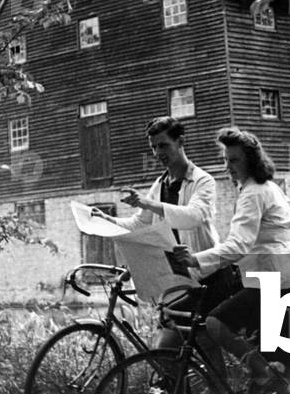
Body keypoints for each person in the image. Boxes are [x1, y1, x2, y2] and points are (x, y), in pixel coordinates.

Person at [171, 127, 290, 394]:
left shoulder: (252, 193)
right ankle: (269, 382)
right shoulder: (269, 187)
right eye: (226, 159)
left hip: (275, 284)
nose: (228, 166)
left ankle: (260, 370)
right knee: (288, 370)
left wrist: (196, 259)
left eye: (234, 160)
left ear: (251, 160)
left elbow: (238, 244)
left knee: (215, 323)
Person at [95, 116, 230, 348]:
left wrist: (147, 203)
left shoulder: (202, 181)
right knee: (173, 347)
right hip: (180, 278)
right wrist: (108, 220)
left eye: (163, 145)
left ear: (180, 142)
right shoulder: (160, 184)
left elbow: (193, 216)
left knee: (195, 344)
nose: (158, 153)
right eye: (153, 147)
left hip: (208, 275)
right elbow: (140, 224)